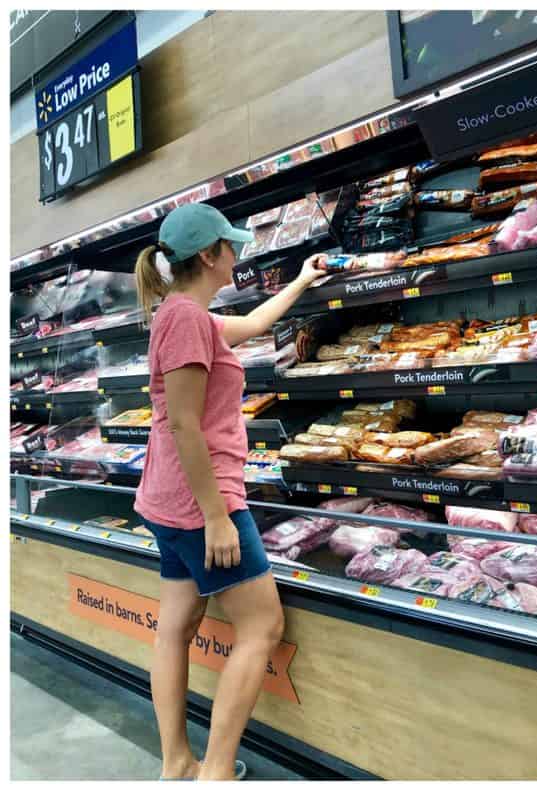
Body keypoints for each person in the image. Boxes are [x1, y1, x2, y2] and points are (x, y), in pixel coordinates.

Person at [131, 203, 325, 781]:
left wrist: (303, 279)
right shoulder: (187, 320)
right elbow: (185, 424)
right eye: (230, 246)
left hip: (166, 499)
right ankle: (216, 772)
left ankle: (177, 765)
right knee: (262, 626)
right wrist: (217, 517)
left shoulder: (184, 314)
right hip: (200, 504)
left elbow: (256, 327)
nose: (238, 254)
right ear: (210, 256)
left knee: (176, 628)